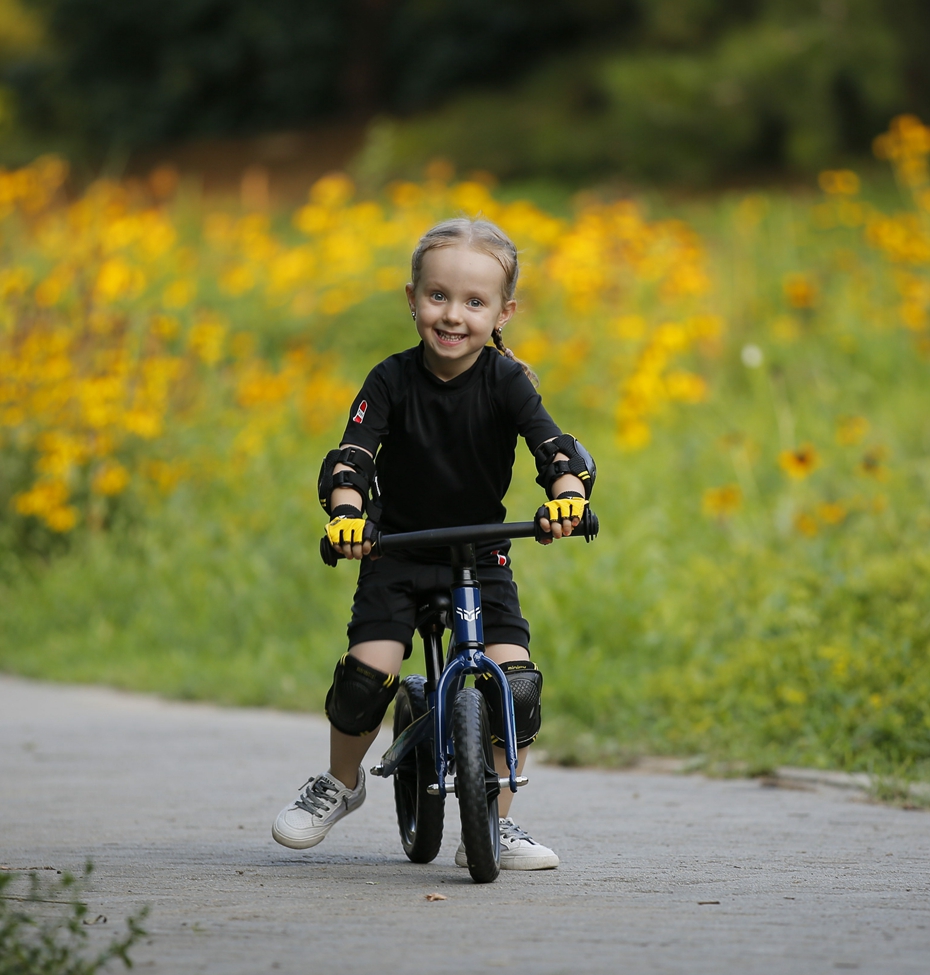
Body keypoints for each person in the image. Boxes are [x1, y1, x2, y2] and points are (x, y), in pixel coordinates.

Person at [271, 217, 596, 871]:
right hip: (398, 551)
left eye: (474, 302)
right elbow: (353, 458)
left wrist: (569, 494)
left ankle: (498, 822)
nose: (454, 315)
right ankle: (340, 781)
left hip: (481, 555)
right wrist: (347, 514)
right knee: (368, 674)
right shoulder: (390, 380)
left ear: (503, 311)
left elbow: (554, 446)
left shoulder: (507, 381)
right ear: (413, 298)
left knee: (518, 685)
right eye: (438, 296)